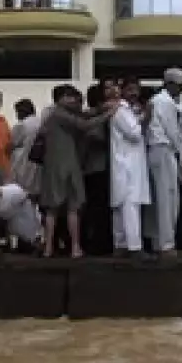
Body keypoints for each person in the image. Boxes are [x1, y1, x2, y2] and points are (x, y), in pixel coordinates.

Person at [38, 85, 116, 258]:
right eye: (69, 97)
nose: (74, 100)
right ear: (59, 99)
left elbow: (84, 116)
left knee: (55, 209)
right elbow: (84, 124)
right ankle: (72, 247)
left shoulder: (55, 115)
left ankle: (51, 247)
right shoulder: (59, 114)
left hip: (55, 166)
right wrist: (108, 114)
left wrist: (99, 109)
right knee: (70, 208)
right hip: (67, 165)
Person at [143, 68, 182, 256]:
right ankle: (166, 244)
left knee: (158, 198)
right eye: (180, 86)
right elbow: (172, 132)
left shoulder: (157, 101)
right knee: (167, 198)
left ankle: (158, 242)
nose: (181, 90)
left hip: (157, 150)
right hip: (164, 149)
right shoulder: (165, 102)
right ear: (171, 84)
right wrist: (180, 154)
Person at [109, 78, 151, 256]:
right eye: (130, 89)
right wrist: (146, 117)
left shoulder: (127, 110)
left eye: (137, 90)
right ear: (123, 91)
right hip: (127, 166)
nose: (134, 93)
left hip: (127, 165)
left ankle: (121, 245)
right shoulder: (121, 111)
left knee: (122, 206)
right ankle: (134, 248)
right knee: (130, 206)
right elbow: (134, 133)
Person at [79, 82, 115, 257]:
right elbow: (96, 138)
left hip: (91, 168)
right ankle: (99, 244)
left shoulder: (86, 116)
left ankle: (94, 242)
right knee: (99, 209)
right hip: (97, 168)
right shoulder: (96, 118)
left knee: (94, 208)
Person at [9, 98, 41, 200]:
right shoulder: (41, 122)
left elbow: (12, 144)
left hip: (23, 165)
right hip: (39, 165)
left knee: (23, 196)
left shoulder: (21, 125)